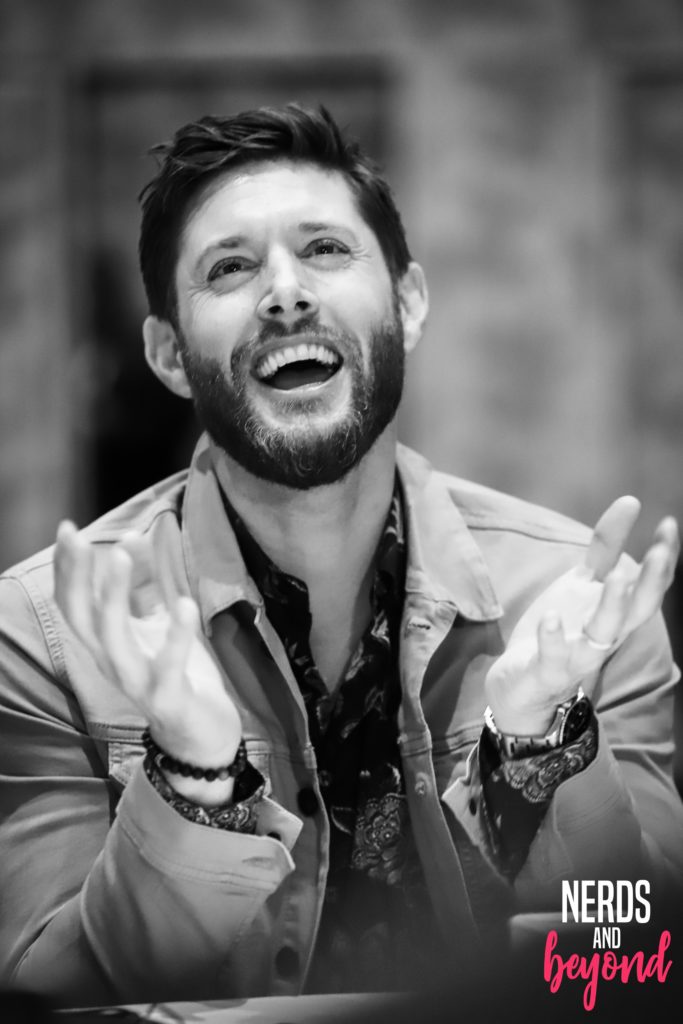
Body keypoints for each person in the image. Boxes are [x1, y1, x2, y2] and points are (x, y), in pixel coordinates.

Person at [0, 104, 681, 1009]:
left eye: (324, 249)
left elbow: (631, 967)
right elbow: (50, 993)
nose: (285, 292)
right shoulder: (44, 633)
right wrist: (196, 779)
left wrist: (535, 748)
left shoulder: (577, 605)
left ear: (408, 303)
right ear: (167, 353)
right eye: (230, 267)